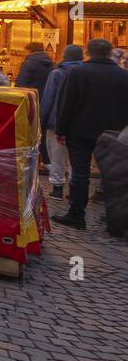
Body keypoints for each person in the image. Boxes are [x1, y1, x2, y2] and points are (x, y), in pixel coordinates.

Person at [53, 38, 128, 230]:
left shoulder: (77, 72)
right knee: (112, 176)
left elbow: (66, 103)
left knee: (80, 172)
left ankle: (77, 214)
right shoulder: (123, 75)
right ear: (109, 53)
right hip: (113, 133)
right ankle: (114, 219)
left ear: (88, 52)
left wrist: (61, 130)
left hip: (80, 131)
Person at [41, 45, 84, 199]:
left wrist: (42, 121)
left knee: (57, 155)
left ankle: (57, 188)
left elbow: (48, 98)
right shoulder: (86, 73)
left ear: (65, 56)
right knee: (76, 158)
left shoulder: (57, 73)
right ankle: (74, 189)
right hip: (79, 122)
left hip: (56, 120)